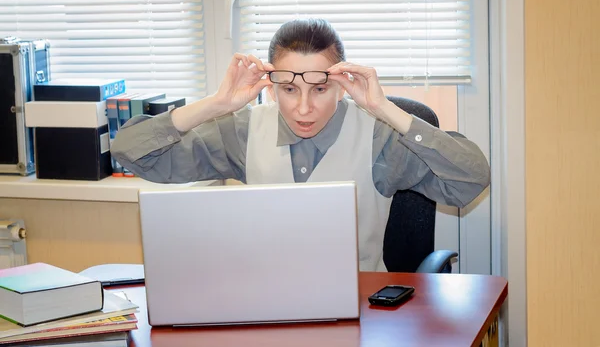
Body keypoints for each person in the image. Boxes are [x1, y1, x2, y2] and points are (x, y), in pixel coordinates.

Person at [111, 18, 491, 272]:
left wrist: (384, 108)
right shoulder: (242, 131)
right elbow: (130, 151)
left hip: (363, 308)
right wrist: (215, 104)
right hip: (267, 305)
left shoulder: (378, 137)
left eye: (321, 89)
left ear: (341, 85)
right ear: (271, 86)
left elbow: (471, 180)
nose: (303, 108)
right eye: (289, 90)